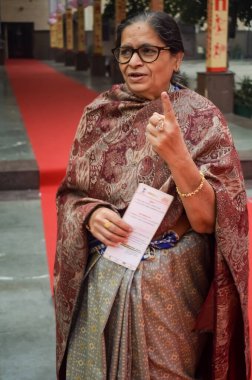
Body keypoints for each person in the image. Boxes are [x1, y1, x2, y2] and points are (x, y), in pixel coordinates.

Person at [54, 11, 250, 380]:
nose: (134, 62)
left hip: (171, 279)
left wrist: (177, 156)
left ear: (176, 58)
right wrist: (91, 214)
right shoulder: (98, 115)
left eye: (148, 51)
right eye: (125, 52)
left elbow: (210, 221)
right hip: (106, 267)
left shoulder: (201, 118)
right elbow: (70, 195)